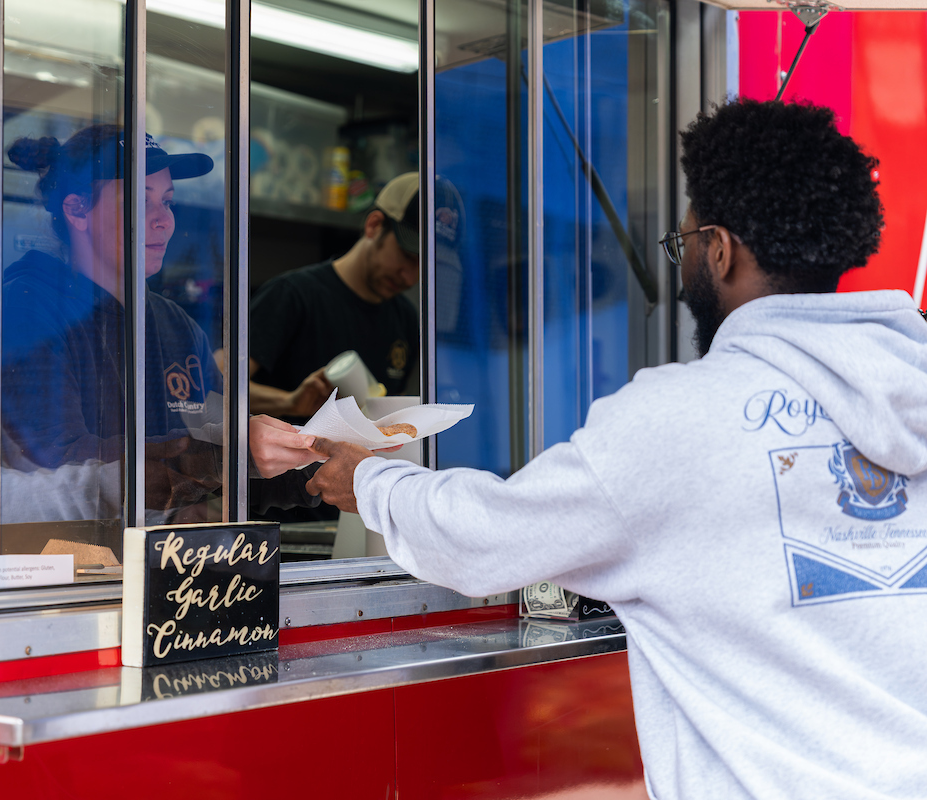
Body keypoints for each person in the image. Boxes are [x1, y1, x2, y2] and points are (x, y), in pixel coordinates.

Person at [306, 99, 927, 798]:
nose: (686, 254)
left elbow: (484, 539)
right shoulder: (914, 391)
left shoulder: (677, 420)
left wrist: (372, 482)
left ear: (719, 250)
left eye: (684, 239)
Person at [0, 125, 315, 526]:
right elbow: (58, 464)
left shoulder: (175, 325)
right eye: (140, 201)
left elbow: (224, 457)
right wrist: (223, 456)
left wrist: (325, 464)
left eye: (167, 202)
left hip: (173, 567)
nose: (164, 221)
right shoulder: (26, 309)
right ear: (77, 210)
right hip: (66, 571)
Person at [247, 172, 459, 420]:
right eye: (408, 257)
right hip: (289, 457)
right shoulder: (292, 295)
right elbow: (217, 385)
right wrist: (289, 402)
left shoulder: (406, 320)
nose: (410, 278)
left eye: (425, 267)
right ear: (374, 226)